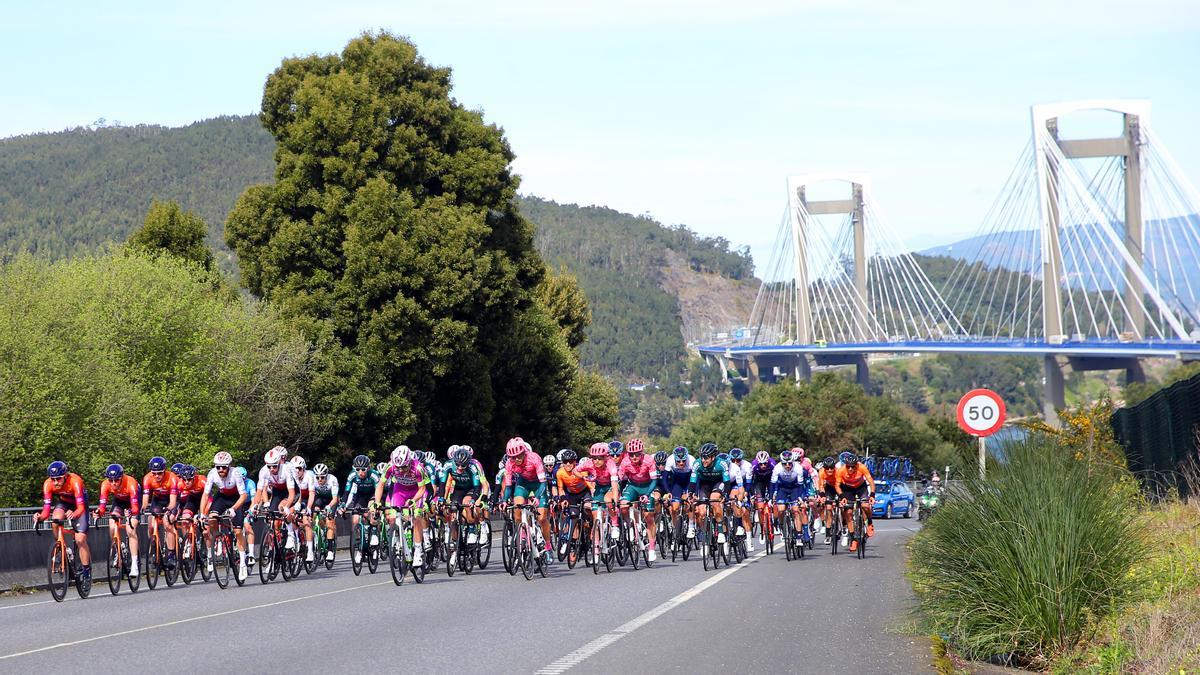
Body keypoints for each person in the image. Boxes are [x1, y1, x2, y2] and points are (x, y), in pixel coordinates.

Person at [35, 461, 92, 588]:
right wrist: (40, 517)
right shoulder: (48, 484)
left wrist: (75, 514)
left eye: (58, 479)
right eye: (53, 479)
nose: (55, 482)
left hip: (79, 505)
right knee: (55, 519)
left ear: (65, 475)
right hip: (64, 503)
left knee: (80, 539)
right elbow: (46, 509)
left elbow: (81, 507)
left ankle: (87, 572)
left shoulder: (75, 481)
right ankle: (63, 549)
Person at [374, 445, 430, 566]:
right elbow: (380, 485)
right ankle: (399, 541)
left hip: (416, 491)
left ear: (409, 461)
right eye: (398, 468)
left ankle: (418, 550)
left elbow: (423, 489)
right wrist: (377, 502)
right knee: (393, 516)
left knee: (416, 518)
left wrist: (414, 500)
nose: (400, 470)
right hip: (400, 491)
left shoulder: (418, 468)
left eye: (404, 467)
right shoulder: (390, 466)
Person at [200, 452, 250, 581]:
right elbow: (205, 495)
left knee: (238, 531)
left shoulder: (235, 473)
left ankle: (243, 563)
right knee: (212, 518)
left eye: (224, 467)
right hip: (221, 497)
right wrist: (201, 514)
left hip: (236, 498)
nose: (221, 470)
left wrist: (233, 509)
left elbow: (243, 495)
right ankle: (218, 539)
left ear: (229, 466)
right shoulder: (212, 474)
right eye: (218, 467)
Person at [501, 437, 553, 560]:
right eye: (513, 457)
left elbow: (543, 482)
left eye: (519, 455)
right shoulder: (509, 463)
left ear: (524, 452)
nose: (516, 459)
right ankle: (523, 534)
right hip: (523, 483)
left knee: (542, 518)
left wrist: (538, 497)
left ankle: (548, 546)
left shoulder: (534, 458)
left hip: (538, 484)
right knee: (517, 508)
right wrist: (504, 500)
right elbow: (508, 486)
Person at [617, 439, 660, 562]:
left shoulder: (649, 460)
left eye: (637, 454)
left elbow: (654, 480)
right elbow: (619, 480)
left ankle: (651, 548)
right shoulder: (625, 462)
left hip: (648, 486)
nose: (634, 457)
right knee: (623, 506)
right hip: (633, 487)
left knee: (648, 517)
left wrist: (647, 494)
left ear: (642, 453)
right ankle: (630, 526)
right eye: (631, 454)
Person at [96, 463, 140, 577]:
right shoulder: (105, 484)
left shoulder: (131, 483)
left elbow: (135, 507)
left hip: (133, 502)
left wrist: (131, 513)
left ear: (121, 478)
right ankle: (118, 548)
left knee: (130, 530)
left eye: (116, 480)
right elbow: (102, 506)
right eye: (111, 481)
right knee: (112, 525)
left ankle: (135, 564)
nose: (113, 483)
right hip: (119, 502)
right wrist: (98, 513)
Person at [689, 443, 731, 553]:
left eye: (706, 457)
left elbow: (727, 482)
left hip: (719, 483)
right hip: (705, 485)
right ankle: (705, 539)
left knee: (714, 500)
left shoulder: (721, 464)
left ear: (713, 457)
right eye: (702, 457)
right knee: (701, 513)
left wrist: (725, 495)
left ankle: (721, 532)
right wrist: (690, 494)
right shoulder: (697, 464)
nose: (703, 460)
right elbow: (693, 482)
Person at [142, 456, 180, 569]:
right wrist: (141, 510)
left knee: (167, 523)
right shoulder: (147, 478)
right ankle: (154, 548)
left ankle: (171, 554)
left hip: (170, 500)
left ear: (164, 471)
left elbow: (173, 502)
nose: (157, 476)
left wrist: (168, 511)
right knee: (151, 523)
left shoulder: (172, 478)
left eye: (159, 473)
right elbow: (145, 501)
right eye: (154, 473)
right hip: (157, 500)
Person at [770, 450, 811, 545]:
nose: (787, 466)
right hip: (783, 488)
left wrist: (801, 498)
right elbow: (772, 484)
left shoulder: (798, 468)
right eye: (785, 464)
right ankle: (782, 526)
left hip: (795, 488)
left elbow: (801, 485)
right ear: (781, 463)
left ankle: (799, 536)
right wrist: (771, 497)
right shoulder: (777, 468)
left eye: (789, 463)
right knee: (781, 509)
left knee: (796, 510)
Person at [836, 453, 875, 552]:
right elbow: (837, 485)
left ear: (856, 465)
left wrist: (872, 495)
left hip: (861, 487)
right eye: (848, 467)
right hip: (848, 489)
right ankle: (853, 538)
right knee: (848, 513)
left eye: (852, 467)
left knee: (865, 506)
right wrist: (842, 496)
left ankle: (870, 523)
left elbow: (870, 481)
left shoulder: (862, 467)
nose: (850, 469)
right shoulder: (841, 470)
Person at [662, 446, 695, 540]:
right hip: (677, 483)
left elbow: (696, 479)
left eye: (683, 461)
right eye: (679, 461)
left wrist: (692, 493)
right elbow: (665, 478)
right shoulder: (670, 460)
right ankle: (675, 528)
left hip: (689, 482)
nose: (681, 463)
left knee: (689, 503)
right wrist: (668, 492)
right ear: (674, 459)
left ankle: (691, 525)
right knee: (674, 507)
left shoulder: (692, 461)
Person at [308, 463, 339, 562]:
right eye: (317, 477)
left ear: (326, 475)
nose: (319, 479)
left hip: (331, 500)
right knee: (313, 516)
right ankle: (318, 535)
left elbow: (335, 499)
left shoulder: (332, 480)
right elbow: (312, 496)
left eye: (322, 477)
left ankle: (330, 549)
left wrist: (329, 506)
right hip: (320, 499)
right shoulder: (312, 480)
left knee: (329, 521)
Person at [728, 448, 754, 552]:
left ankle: (748, 541)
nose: (735, 462)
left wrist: (746, 493)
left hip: (744, 485)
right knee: (730, 500)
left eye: (738, 460)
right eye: (733, 460)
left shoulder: (747, 466)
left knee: (745, 512)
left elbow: (748, 482)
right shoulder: (728, 466)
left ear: (741, 460)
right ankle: (730, 519)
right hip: (731, 484)